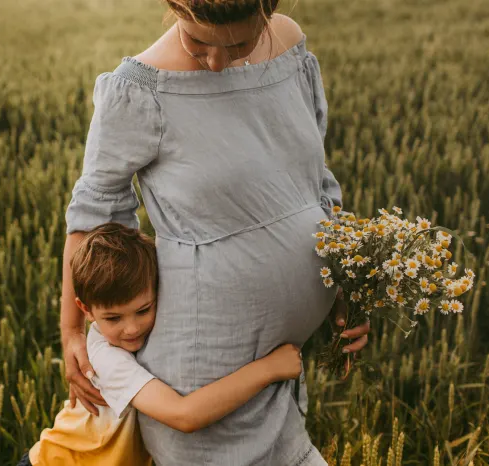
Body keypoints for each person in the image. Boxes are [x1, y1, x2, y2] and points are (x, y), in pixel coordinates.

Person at [60, 1, 372, 465]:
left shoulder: (289, 48)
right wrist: (71, 332)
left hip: (278, 368)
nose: (217, 62)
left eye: (240, 44)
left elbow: (312, 183)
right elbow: (93, 215)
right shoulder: (141, 89)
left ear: (269, 10)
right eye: (199, 41)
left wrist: (339, 280)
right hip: (200, 372)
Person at [20, 223, 306, 465]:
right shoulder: (107, 359)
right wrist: (268, 369)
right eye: (113, 318)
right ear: (85, 310)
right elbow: (184, 415)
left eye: (143, 310)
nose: (131, 328)